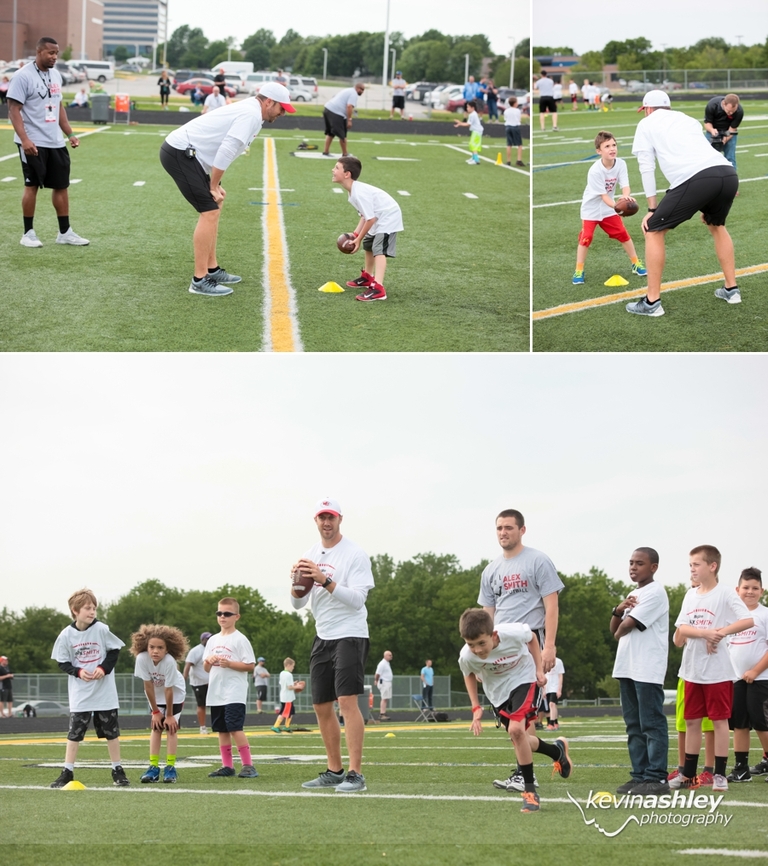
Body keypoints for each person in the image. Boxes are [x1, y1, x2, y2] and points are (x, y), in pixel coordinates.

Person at [160, 81, 294, 296]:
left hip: (192, 155)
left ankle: (211, 269)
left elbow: (226, 151)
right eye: (281, 108)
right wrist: (213, 185)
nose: (283, 113)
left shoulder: (254, 113)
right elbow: (226, 150)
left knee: (216, 204)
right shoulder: (251, 114)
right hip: (180, 152)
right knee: (209, 211)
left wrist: (216, 185)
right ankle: (199, 280)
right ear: (269, 102)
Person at [627, 90, 740, 317]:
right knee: (716, 225)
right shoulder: (687, 119)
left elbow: (646, 167)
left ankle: (651, 302)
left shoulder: (646, 124)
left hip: (697, 178)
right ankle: (731, 290)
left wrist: (652, 209)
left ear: (648, 109)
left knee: (653, 230)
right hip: (727, 173)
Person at [291, 498, 375, 793]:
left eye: (331, 517)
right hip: (322, 634)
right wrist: (296, 584)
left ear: (340, 519)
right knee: (320, 704)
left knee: (347, 701)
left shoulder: (354, 554)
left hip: (349, 633)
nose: (326, 522)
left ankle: (356, 774)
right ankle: (334, 770)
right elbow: (297, 604)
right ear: (315, 520)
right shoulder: (309, 554)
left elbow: (358, 600)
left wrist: (325, 580)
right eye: (322, 517)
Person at [478, 508, 564, 792]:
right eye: (499, 528)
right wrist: (484, 656)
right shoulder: (490, 570)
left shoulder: (538, 560)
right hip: (500, 647)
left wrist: (549, 645)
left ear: (522, 530)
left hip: (530, 642)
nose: (503, 532)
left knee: (521, 716)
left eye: (509, 527)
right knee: (511, 719)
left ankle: (525, 776)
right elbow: (487, 616)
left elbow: (552, 606)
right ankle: (554, 752)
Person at [459, 608, 572, 811]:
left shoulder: (512, 632)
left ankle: (530, 793)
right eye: (471, 644)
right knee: (520, 738)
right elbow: (468, 674)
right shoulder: (467, 656)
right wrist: (475, 706)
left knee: (516, 730)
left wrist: (539, 669)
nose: (477, 650)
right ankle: (557, 751)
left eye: (482, 643)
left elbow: (532, 639)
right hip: (498, 694)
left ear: (494, 635)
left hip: (524, 679)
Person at [671, 545, 753, 792]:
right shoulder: (690, 595)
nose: (692, 569)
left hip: (718, 671)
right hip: (692, 670)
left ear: (712, 566)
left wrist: (721, 633)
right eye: (690, 565)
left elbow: (747, 620)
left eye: (696, 564)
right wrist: (707, 633)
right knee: (692, 722)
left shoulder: (725, 593)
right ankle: (688, 774)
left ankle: (719, 774)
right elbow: (682, 628)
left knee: (719, 722)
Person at [7, 36, 89, 248]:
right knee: (32, 185)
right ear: (39, 52)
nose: (54, 57)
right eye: (51, 53)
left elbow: (58, 106)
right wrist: (25, 140)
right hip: (32, 142)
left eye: (56, 53)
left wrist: (70, 134)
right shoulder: (22, 76)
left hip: (56, 141)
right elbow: (13, 110)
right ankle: (28, 233)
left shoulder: (56, 75)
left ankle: (65, 232)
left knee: (61, 186)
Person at [49, 589, 129, 788]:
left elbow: (114, 650)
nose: (92, 611)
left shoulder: (101, 629)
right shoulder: (66, 635)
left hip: (104, 693)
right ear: (75, 611)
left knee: (111, 732)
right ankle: (67, 771)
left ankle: (117, 770)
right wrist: (78, 671)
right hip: (81, 694)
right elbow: (62, 661)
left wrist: (103, 668)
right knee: (74, 733)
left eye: (94, 608)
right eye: (87, 608)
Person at [610, 547, 670, 795]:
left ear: (653, 567)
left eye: (640, 563)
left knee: (651, 723)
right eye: (631, 563)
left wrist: (621, 625)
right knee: (633, 725)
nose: (633, 567)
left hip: (647, 668)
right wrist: (617, 609)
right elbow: (615, 626)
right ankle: (639, 775)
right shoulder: (633, 594)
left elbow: (627, 626)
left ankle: (656, 778)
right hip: (627, 666)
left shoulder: (655, 592)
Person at [572, 130, 647, 286]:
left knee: (623, 234)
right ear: (599, 151)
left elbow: (625, 186)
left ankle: (636, 263)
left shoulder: (621, 164)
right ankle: (579, 270)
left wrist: (625, 198)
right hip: (591, 209)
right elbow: (603, 196)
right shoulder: (595, 171)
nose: (612, 149)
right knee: (586, 237)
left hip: (608, 208)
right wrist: (618, 207)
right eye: (607, 146)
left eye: (614, 145)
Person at [332, 155, 404, 303]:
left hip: (388, 216)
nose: (333, 170)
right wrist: (356, 234)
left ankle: (378, 288)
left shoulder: (358, 193)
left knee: (379, 249)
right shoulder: (352, 192)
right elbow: (365, 216)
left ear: (347, 174)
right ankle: (367, 277)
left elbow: (370, 219)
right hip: (378, 215)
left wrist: (357, 239)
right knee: (368, 244)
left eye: (337, 168)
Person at [204, 597, 258, 778]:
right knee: (221, 729)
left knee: (235, 727)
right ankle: (227, 766)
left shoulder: (240, 639)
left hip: (234, 691)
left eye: (227, 614)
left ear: (236, 616)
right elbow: (206, 668)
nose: (222, 616)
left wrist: (230, 664)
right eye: (219, 613)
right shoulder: (212, 640)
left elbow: (250, 666)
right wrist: (208, 661)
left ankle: (248, 765)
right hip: (216, 692)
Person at [130, 624, 189, 784]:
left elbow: (169, 689)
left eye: (160, 648)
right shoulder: (142, 658)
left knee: (171, 728)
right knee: (156, 728)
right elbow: (148, 686)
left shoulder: (169, 661)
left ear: (167, 649)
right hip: (155, 696)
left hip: (174, 695)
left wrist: (169, 716)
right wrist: (155, 712)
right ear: (146, 647)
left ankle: (170, 767)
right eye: (152, 647)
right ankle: (153, 767)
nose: (155, 651)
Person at [726, 567, 768, 783]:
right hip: (736, 679)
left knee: (761, 723)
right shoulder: (730, 616)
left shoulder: (765, 614)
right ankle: (741, 769)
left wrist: (755, 671)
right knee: (739, 724)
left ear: (762, 591)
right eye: (746, 588)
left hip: (761, 678)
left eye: (754, 588)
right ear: (737, 589)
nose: (750, 592)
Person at [322, 83, 365, 158]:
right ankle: (345, 154)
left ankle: (326, 151)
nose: (362, 91)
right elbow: (349, 106)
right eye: (361, 89)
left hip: (328, 109)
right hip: (336, 112)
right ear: (357, 88)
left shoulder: (348, 90)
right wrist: (349, 120)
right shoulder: (353, 94)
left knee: (330, 133)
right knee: (342, 134)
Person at [704, 93, 743, 171]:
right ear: (724, 104)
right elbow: (707, 123)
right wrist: (712, 130)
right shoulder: (712, 105)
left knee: (730, 158)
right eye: (729, 111)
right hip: (713, 130)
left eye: (733, 111)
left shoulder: (739, 111)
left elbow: (732, 129)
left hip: (728, 132)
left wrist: (725, 140)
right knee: (708, 157)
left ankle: (731, 177)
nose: (731, 113)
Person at [183, 631, 211, 735]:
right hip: (199, 683)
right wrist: (183, 680)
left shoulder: (212, 650)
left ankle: (218, 725)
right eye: (207, 639)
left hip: (211, 683)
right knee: (201, 705)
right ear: (203, 640)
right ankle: (202, 727)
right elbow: (188, 665)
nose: (209, 640)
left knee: (216, 704)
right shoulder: (196, 650)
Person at [272, 657, 304, 733]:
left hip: (285, 696)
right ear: (288, 665)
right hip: (287, 698)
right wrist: (298, 687)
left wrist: (293, 683)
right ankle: (275, 726)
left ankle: (287, 726)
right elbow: (289, 687)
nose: (293, 668)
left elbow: (285, 684)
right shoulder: (289, 674)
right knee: (284, 713)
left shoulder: (282, 673)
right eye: (292, 666)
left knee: (290, 712)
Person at [453, 99, 484, 165]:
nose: (467, 108)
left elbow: (468, 124)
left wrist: (460, 123)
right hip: (475, 131)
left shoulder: (472, 115)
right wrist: (460, 123)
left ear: (472, 108)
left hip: (477, 131)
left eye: (468, 107)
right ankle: (473, 158)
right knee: (472, 144)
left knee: (473, 145)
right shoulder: (472, 114)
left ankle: (476, 160)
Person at [544, 656, 564, 730]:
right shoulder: (544, 660)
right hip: (547, 686)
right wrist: (543, 689)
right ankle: (556, 722)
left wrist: (559, 689)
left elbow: (560, 676)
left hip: (555, 686)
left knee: (551, 704)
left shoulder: (558, 661)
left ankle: (551, 723)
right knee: (553, 705)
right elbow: (543, 674)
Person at [504, 96, 525, 167]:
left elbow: (505, 118)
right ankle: (519, 160)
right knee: (519, 144)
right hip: (515, 127)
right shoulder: (517, 111)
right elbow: (519, 119)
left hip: (508, 127)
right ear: (515, 103)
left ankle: (508, 161)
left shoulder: (506, 111)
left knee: (509, 144)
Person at [374, 650, 393, 720]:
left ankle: (384, 712)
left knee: (386, 698)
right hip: (384, 682)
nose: (391, 656)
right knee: (384, 698)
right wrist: (376, 680)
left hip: (387, 682)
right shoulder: (382, 664)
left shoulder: (387, 663)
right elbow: (377, 673)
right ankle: (382, 714)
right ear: (385, 656)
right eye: (389, 655)